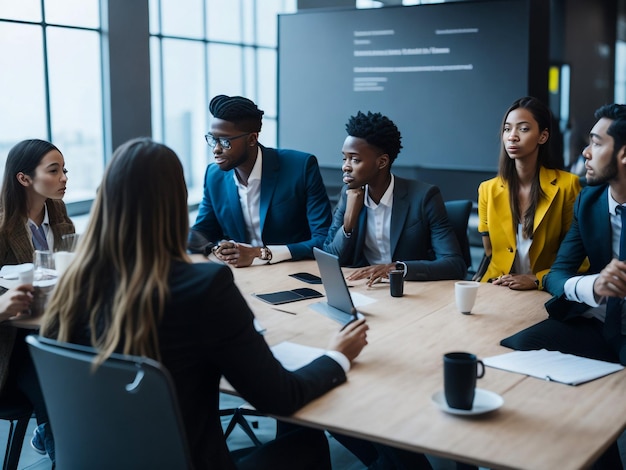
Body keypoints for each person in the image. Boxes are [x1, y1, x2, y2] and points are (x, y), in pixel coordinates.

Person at [39, 137, 369, 470]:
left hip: (95, 461)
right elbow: (279, 397)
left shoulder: (72, 286)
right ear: (175, 202)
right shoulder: (204, 287)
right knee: (305, 441)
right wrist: (337, 356)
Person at [501, 104, 626, 469]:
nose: (585, 152)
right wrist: (594, 285)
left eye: (596, 143)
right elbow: (557, 274)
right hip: (596, 322)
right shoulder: (590, 200)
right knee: (517, 349)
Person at [323, 111, 466, 285]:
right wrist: (349, 221)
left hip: (413, 291)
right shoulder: (349, 195)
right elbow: (330, 258)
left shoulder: (424, 197)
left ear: (382, 162)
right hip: (366, 290)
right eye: (344, 158)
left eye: (355, 159)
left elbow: (454, 264)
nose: (345, 167)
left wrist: (396, 268)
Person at [188, 94, 332, 267]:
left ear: (252, 139)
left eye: (225, 142)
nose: (216, 149)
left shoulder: (300, 167)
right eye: (213, 139)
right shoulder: (214, 176)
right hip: (242, 275)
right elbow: (201, 232)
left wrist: (260, 253)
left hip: (294, 270)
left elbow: (323, 239)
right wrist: (217, 249)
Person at [0, 138, 74, 464]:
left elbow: (69, 266)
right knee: (57, 389)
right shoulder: (2, 225)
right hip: (12, 347)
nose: (64, 179)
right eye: (54, 171)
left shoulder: (55, 210)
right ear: (24, 178)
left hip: (52, 332)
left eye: (65, 170)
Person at [477, 96, 582, 290]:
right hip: (496, 287)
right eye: (507, 129)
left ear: (543, 136)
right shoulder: (487, 189)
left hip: (545, 290)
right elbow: (491, 252)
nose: (512, 136)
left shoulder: (568, 185)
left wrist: (536, 279)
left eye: (523, 129)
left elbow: (579, 257)